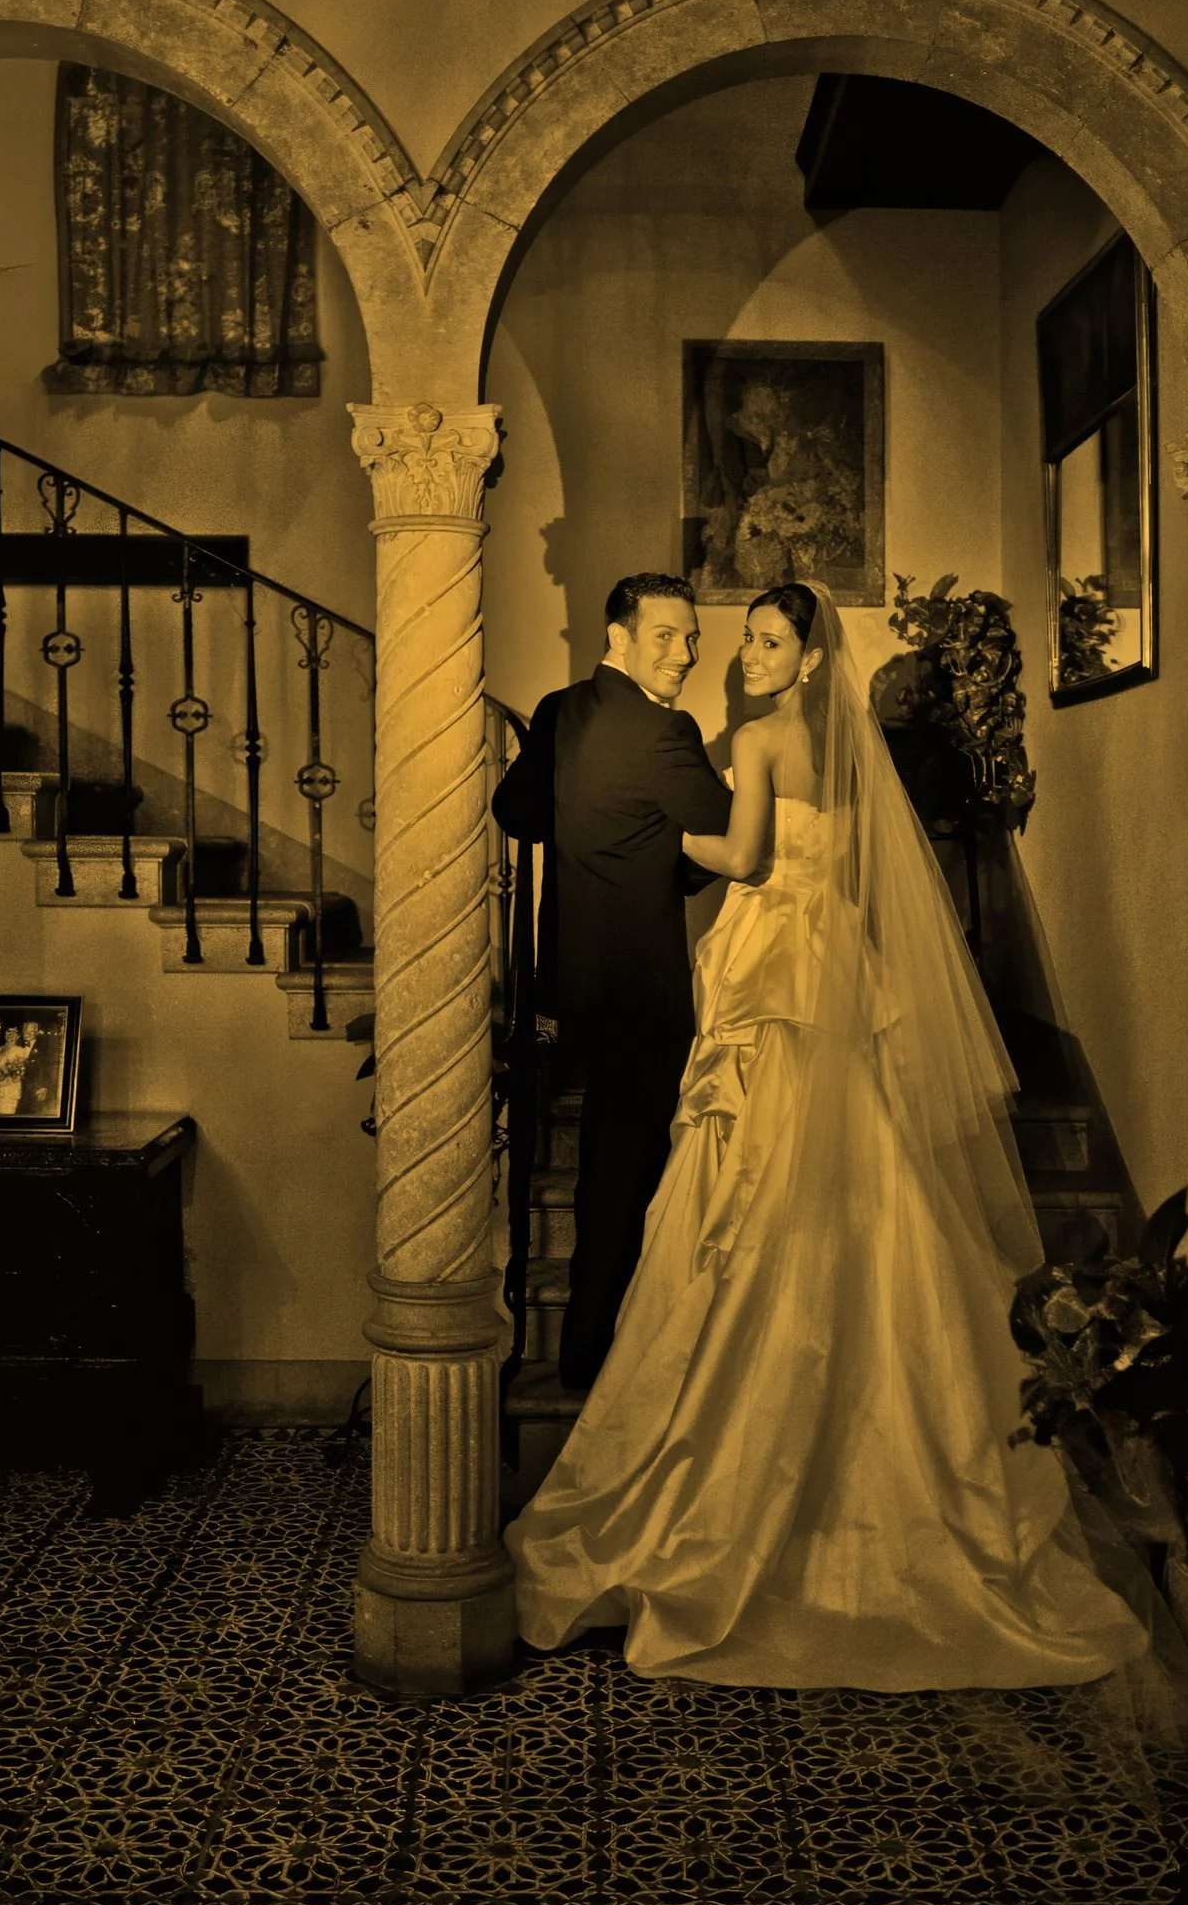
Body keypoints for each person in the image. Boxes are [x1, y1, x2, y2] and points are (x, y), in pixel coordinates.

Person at [505, 583, 1153, 1692]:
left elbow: (738, 856)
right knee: (851, 1166)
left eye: (761, 640)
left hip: (753, 963)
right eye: (725, 637)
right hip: (818, 956)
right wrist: (663, 821)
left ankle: (709, 1405)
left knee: (746, 1171)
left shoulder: (677, 729)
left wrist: (628, 833)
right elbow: (818, 858)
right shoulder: (839, 746)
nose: (735, 654)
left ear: (806, 658)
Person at [493, 572, 731, 1390]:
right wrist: (665, 865)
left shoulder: (559, 712)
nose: (686, 653)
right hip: (640, 996)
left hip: (565, 992)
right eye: (666, 634)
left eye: (692, 636)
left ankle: (569, 1345)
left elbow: (516, 814)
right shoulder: (671, 733)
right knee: (621, 1175)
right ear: (618, 636)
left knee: (565, 1158)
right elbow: (729, 837)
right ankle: (595, 1358)